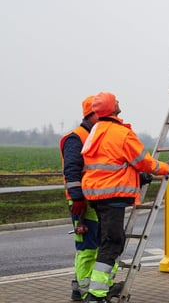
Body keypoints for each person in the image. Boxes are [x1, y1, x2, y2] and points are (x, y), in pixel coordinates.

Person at [81, 92, 169, 302]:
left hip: (96, 194)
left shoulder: (97, 130)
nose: (119, 103)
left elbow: (112, 163)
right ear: (112, 107)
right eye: (117, 101)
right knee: (113, 242)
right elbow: (145, 162)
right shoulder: (121, 133)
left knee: (110, 240)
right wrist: (168, 168)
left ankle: (104, 287)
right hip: (112, 195)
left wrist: (137, 177)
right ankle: (96, 294)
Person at [60, 95, 100, 301]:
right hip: (82, 202)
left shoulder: (94, 135)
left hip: (93, 199)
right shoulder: (77, 138)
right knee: (87, 247)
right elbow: (72, 170)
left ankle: (79, 288)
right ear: (91, 114)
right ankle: (84, 292)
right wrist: (77, 199)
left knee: (94, 245)